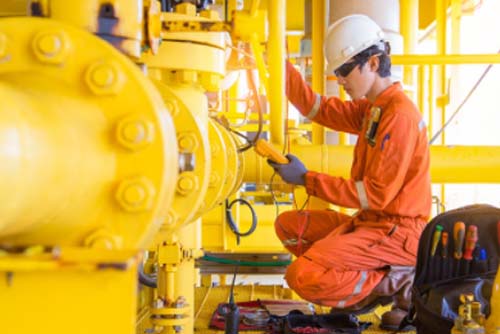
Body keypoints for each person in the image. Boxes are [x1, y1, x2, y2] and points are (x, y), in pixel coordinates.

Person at [267, 14, 431, 330]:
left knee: (301, 275)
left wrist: (305, 179)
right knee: (289, 226)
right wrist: (275, 59)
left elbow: (375, 195)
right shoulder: (374, 108)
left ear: (372, 63)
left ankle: (393, 279)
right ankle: (370, 276)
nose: (339, 80)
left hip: (396, 233)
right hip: (372, 223)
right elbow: (315, 107)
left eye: (343, 71)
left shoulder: (398, 116)